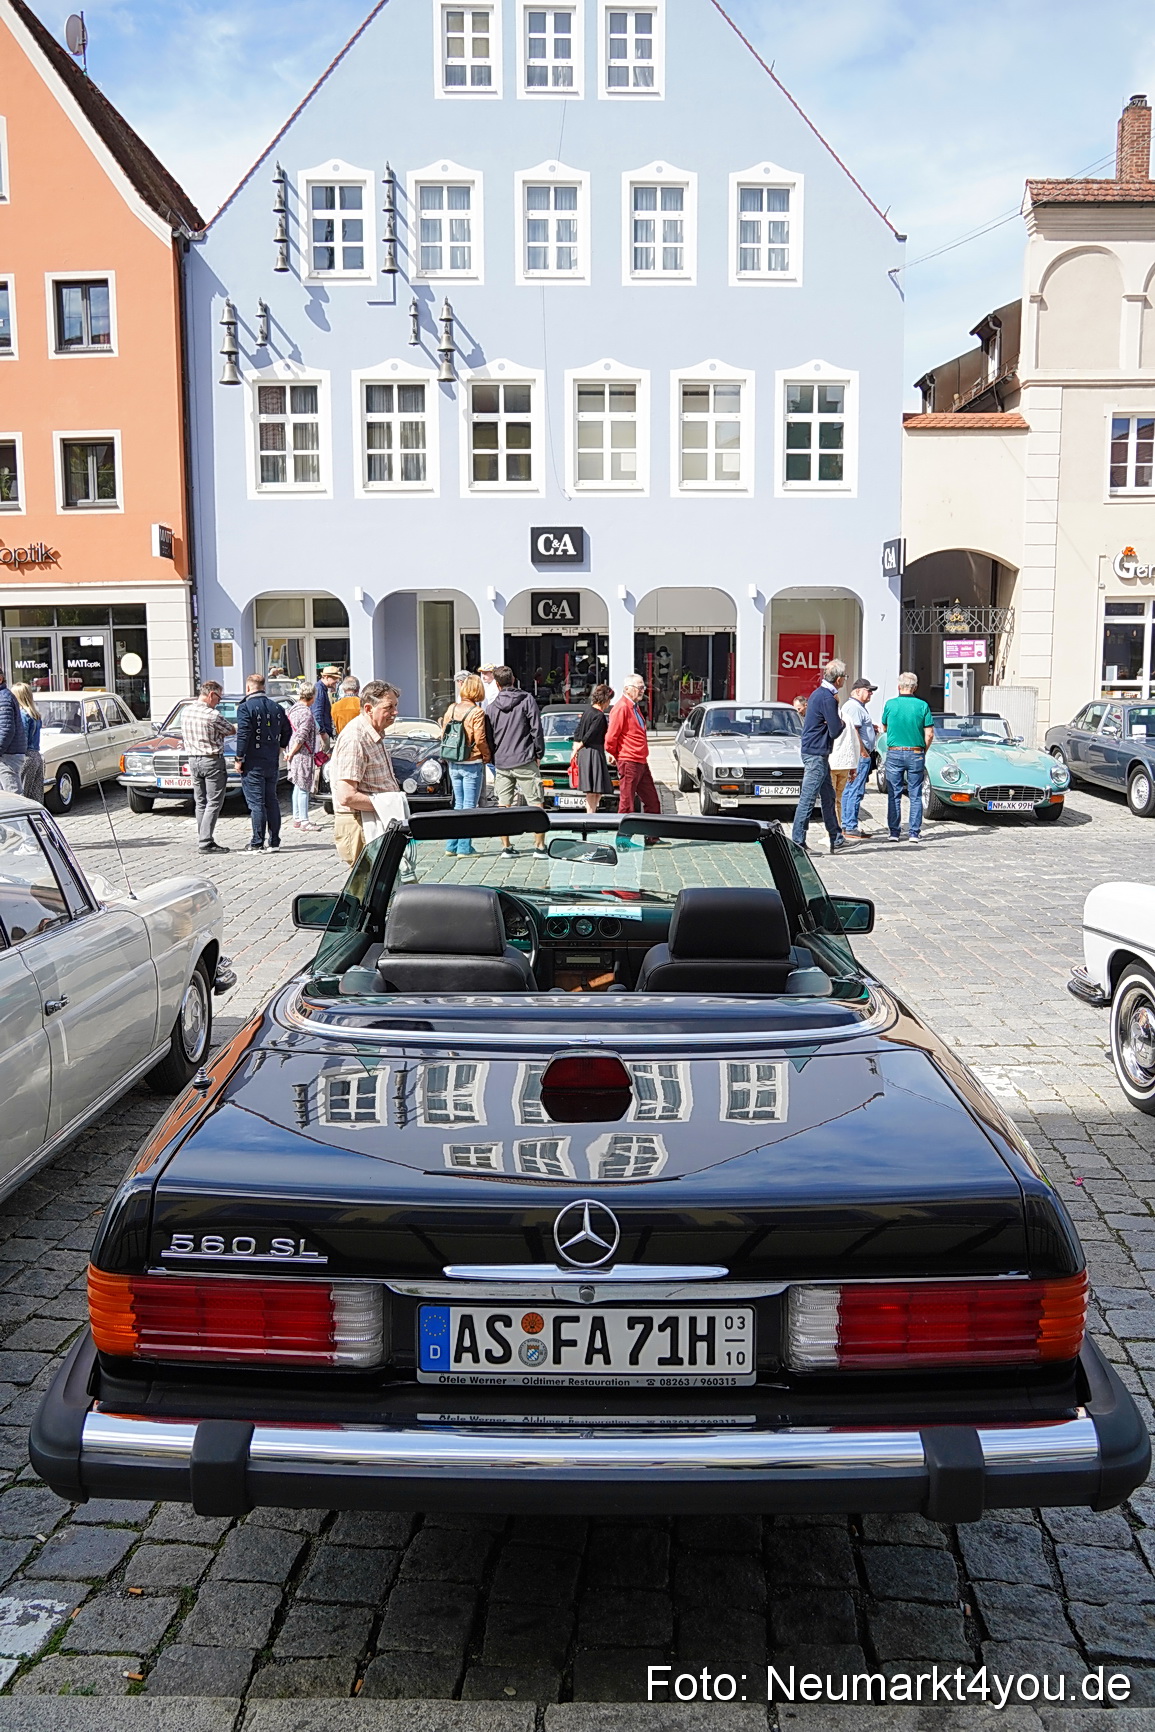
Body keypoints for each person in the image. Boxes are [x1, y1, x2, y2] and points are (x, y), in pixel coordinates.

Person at [329, 680, 403, 868]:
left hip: (373, 821)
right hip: (361, 825)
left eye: (395, 706)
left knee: (384, 885)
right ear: (369, 708)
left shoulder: (373, 732)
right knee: (369, 889)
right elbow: (346, 795)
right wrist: (389, 804)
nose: (395, 712)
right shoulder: (355, 737)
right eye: (389, 707)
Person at [485, 666, 546, 858]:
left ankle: (506, 847)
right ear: (514, 679)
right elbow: (536, 728)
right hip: (525, 757)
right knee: (536, 803)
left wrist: (495, 757)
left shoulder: (492, 708)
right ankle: (540, 846)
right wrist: (539, 753)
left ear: (497, 683)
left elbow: (489, 737)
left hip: (502, 761)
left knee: (504, 805)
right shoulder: (527, 699)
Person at [791, 659, 847, 855]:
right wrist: (842, 722)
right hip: (816, 753)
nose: (845, 680)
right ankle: (797, 841)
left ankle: (836, 836)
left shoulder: (819, 694)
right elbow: (835, 730)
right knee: (808, 798)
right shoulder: (827, 698)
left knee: (828, 795)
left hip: (817, 752)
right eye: (844, 677)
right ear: (839, 679)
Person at [235, 673, 292, 851]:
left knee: (256, 803)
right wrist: (280, 746)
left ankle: (257, 842)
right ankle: (274, 841)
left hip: (253, 761)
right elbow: (288, 730)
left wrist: (239, 758)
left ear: (248, 688)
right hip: (271, 760)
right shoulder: (276, 707)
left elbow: (243, 734)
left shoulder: (245, 707)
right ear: (263, 687)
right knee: (271, 800)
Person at [440, 674, 491, 856]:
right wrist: (486, 755)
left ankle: (451, 846)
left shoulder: (452, 708)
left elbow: (443, 732)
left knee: (458, 805)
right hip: (472, 761)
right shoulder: (477, 712)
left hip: (454, 761)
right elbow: (480, 738)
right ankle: (464, 847)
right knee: (470, 805)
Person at [881, 672, 936, 844]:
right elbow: (929, 734)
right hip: (916, 752)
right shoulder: (922, 706)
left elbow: (884, 727)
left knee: (894, 793)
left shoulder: (890, 704)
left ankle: (894, 832)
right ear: (915, 687)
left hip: (895, 752)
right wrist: (922, 751)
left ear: (899, 687)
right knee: (915, 793)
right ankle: (913, 832)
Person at [184, 679, 233, 854]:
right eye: (219, 698)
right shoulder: (212, 715)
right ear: (211, 694)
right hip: (211, 760)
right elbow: (230, 730)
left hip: (193, 760)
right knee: (214, 802)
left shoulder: (186, 712)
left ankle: (203, 836)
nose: (219, 702)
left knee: (200, 802)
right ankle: (205, 841)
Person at [606, 674, 661, 818]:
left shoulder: (634, 707)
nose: (643, 690)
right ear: (627, 689)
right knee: (627, 803)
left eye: (643, 687)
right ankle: (623, 837)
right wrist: (615, 754)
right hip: (629, 760)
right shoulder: (622, 708)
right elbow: (611, 736)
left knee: (652, 801)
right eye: (639, 687)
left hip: (640, 761)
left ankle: (652, 837)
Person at [838, 679, 878, 842]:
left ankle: (848, 825)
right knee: (855, 790)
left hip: (860, 754)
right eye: (868, 690)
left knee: (852, 789)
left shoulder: (857, 707)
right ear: (857, 691)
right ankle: (850, 825)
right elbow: (854, 730)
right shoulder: (853, 707)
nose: (871, 694)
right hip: (860, 755)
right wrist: (862, 751)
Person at [571, 683, 615, 815]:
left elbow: (578, 730)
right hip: (593, 752)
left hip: (586, 752)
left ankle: (592, 811)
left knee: (595, 787)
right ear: (605, 700)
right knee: (594, 788)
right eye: (609, 701)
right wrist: (581, 744)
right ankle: (590, 814)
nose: (609, 704)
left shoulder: (588, 711)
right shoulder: (599, 715)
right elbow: (591, 733)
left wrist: (576, 745)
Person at [286, 684, 322, 833]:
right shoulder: (306, 713)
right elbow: (301, 737)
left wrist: (288, 752)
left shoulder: (292, 710)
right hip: (302, 754)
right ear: (312, 696)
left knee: (297, 785)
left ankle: (297, 817)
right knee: (304, 787)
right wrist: (292, 752)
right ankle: (304, 821)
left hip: (294, 753)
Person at [12, 684, 43, 804]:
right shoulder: (35, 714)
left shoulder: (22, 715)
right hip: (36, 755)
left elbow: (22, 738)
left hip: (26, 756)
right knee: (36, 794)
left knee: (23, 795)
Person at [0, 666, 25, 795]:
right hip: (7, 753)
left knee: (14, 795)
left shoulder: (4, 698)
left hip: (8, 755)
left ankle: (21, 816)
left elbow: (6, 729)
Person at [311, 666, 341, 747]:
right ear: (326, 677)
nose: (337, 681)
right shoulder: (319, 689)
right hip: (321, 735)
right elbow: (317, 713)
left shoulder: (321, 689)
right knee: (323, 758)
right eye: (334, 678)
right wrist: (323, 732)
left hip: (322, 733)